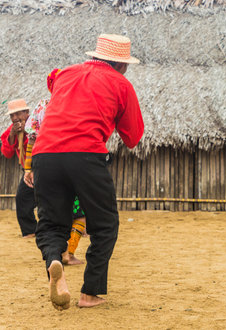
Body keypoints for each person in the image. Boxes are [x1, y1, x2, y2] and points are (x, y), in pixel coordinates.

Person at [32, 34, 144, 310]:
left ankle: (54, 262)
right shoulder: (121, 84)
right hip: (86, 155)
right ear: (123, 65)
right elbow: (132, 138)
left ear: (94, 56)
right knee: (105, 225)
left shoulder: (65, 74)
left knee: (51, 223)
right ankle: (90, 293)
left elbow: (52, 80)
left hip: (44, 153)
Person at [24, 69, 87, 265]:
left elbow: (31, 139)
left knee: (52, 217)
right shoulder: (78, 105)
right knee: (79, 214)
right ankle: (68, 253)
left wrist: (28, 168)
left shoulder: (42, 106)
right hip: (72, 166)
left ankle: (55, 255)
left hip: (45, 166)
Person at [1, 99, 37, 238]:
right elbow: (7, 153)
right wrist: (12, 135)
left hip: (42, 167)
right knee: (22, 198)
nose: (15, 118)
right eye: (12, 115)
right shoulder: (12, 130)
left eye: (18, 114)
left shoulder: (35, 124)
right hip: (27, 171)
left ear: (27, 112)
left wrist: (27, 132)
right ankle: (30, 231)